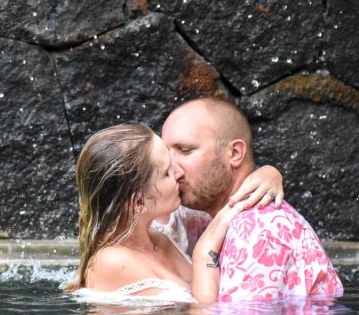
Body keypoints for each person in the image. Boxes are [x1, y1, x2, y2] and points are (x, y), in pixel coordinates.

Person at [64, 122, 283, 303]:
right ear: (139, 202)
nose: (179, 173)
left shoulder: (159, 236)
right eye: (168, 172)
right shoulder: (110, 261)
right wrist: (204, 252)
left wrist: (268, 173)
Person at [162, 97, 343, 302]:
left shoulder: (260, 232)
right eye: (165, 153)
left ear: (235, 153)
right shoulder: (202, 215)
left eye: (185, 150)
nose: (169, 167)